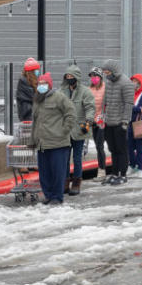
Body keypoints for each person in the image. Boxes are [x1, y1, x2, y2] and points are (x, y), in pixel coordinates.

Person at [31, 73, 75, 205]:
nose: (41, 86)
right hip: (42, 143)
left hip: (58, 143)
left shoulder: (59, 97)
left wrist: (64, 130)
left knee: (58, 172)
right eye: (39, 84)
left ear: (49, 85)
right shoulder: (37, 100)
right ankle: (49, 195)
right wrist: (33, 139)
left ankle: (57, 196)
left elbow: (71, 113)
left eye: (44, 84)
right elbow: (35, 121)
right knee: (44, 173)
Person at [61, 65, 95, 195]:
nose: (69, 79)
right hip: (65, 129)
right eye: (67, 76)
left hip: (79, 129)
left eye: (71, 77)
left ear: (77, 78)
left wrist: (88, 121)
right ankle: (64, 180)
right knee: (64, 157)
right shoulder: (62, 91)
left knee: (77, 157)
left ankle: (76, 181)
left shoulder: (85, 92)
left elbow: (90, 108)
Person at [100, 60, 133, 185]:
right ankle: (114, 173)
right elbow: (105, 101)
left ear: (114, 71)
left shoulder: (125, 83)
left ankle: (123, 174)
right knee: (112, 149)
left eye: (107, 72)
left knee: (121, 150)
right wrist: (102, 116)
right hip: (109, 121)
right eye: (105, 72)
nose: (106, 74)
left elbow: (128, 104)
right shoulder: (108, 82)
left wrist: (125, 121)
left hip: (120, 122)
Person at [87, 67, 107, 174]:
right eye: (91, 76)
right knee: (97, 144)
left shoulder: (105, 88)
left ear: (100, 77)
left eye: (95, 76)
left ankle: (102, 169)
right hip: (93, 121)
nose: (93, 78)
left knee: (100, 145)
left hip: (103, 121)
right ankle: (101, 167)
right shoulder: (89, 89)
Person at [16, 58, 40, 122]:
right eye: (36, 70)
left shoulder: (33, 80)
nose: (38, 71)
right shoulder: (23, 80)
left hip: (32, 112)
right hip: (27, 113)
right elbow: (34, 96)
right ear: (31, 71)